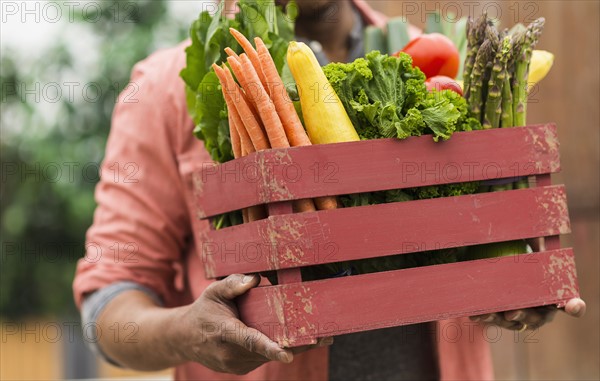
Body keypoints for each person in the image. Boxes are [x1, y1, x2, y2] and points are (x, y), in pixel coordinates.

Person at [72, 1, 586, 380]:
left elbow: (492, 228)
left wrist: (522, 286)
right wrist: (188, 332)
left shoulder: (442, 59)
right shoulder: (161, 91)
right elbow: (107, 307)